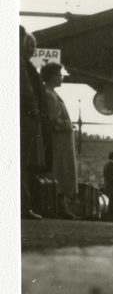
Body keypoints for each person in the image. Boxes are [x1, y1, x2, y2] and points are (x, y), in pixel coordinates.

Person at [41, 61, 78, 218]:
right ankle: (61, 208)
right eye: (58, 75)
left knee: (59, 175)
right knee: (59, 174)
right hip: (58, 144)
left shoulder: (50, 94)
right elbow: (52, 121)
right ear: (51, 76)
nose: (61, 78)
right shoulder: (50, 95)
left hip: (59, 144)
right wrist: (68, 124)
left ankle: (61, 207)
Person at [20, 27, 49, 219]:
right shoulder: (24, 66)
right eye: (28, 45)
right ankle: (25, 206)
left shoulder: (27, 66)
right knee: (25, 164)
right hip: (27, 122)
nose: (31, 49)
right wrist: (35, 112)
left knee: (26, 165)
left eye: (34, 46)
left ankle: (26, 205)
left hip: (30, 122)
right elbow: (28, 93)